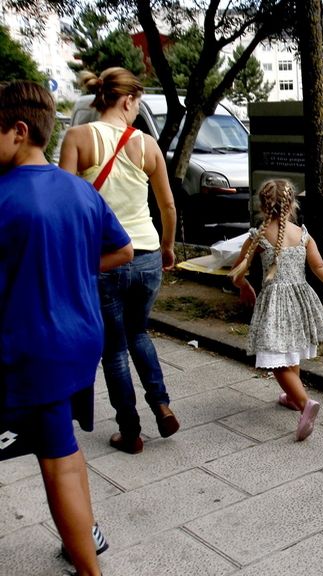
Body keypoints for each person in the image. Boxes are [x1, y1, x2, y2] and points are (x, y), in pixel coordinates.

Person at [0, 80, 134, 576]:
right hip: (77, 341)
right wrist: (73, 264)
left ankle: (87, 567)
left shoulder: (3, 196)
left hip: (32, 347)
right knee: (62, 450)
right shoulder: (79, 189)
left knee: (57, 460)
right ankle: (84, 534)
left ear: (17, 131)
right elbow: (122, 250)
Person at [59, 67, 179, 454]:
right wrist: (167, 247)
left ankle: (130, 431)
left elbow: (66, 205)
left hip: (104, 259)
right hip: (146, 255)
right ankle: (161, 403)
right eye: (138, 103)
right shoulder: (147, 145)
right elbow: (167, 205)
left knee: (114, 348)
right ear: (128, 100)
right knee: (139, 332)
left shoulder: (78, 137)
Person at [229, 179, 323, 441]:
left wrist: (244, 286)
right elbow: (319, 267)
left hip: (275, 303)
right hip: (299, 300)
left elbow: (238, 269)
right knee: (291, 351)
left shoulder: (257, 237)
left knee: (277, 360)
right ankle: (293, 398)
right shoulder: (303, 235)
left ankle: (306, 403)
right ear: (292, 204)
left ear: (261, 206)